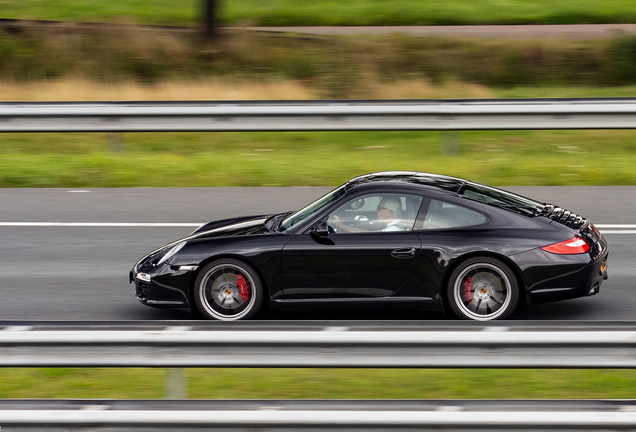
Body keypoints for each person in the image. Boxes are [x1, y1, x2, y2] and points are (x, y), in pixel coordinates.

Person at [330, 197, 406, 232]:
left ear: (388, 212)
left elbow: (365, 234)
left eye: (379, 208)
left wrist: (341, 226)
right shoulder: (399, 226)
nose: (376, 210)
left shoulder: (392, 230)